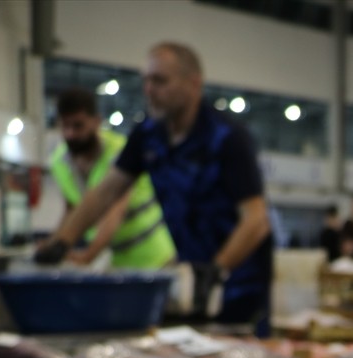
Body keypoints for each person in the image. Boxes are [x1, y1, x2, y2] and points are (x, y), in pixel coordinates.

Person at [36, 42, 273, 335]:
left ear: (193, 84)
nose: (149, 90)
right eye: (146, 80)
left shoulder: (226, 138)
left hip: (239, 287)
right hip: (188, 280)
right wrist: (62, 241)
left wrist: (215, 271)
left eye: (160, 81)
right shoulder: (148, 135)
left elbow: (256, 220)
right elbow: (105, 192)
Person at [47, 88, 175, 270]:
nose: (70, 134)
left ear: (96, 121)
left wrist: (88, 255)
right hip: (116, 260)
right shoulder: (59, 161)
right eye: (65, 126)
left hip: (155, 258)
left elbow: (115, 210)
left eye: (78, 126)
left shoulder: (120, 152)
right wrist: (54, 245)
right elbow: (71, 210)